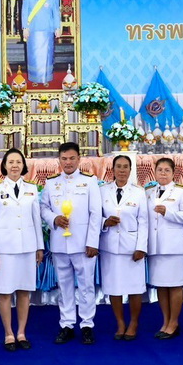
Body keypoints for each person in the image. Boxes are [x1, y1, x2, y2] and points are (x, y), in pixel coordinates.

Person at [40, 141, 103, 344]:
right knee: (64, 286)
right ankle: (66, 324)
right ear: (59, 160)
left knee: (86, 286)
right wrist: (54, 219)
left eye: (72, 158)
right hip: (60, 242)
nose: (68, 162)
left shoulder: (89, 181)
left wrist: (93, 242)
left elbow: (96, 214)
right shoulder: (51, 183)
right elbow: (43, 208)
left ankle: (87, 325)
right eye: (64, 159)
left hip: (83, 244)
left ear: (79, 159)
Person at [0, 148, 44, 350]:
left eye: (18, 162)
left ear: (23, 165)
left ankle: (21, 332)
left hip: (27, 247)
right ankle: (8, 333)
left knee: (24, 291)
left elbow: (36, 220)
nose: (14, 165)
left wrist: (39, 247)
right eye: (10, 162)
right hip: (5, 249)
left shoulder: (32, 189)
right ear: (4, 165)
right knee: (4, 293)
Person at [99, 154, 148, 340]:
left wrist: (141, 247)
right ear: (112, 169)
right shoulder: (102, 191)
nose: (121, 170)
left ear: (130, 170)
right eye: (118, 166)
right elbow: (95, 216)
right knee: (114, 287)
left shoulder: (138, 192)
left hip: (131, 248)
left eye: (125, 167)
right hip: (110, 247)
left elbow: (144, 222)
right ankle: (120, 323)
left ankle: (134, 322)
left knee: (134, 288)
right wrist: (105, 222)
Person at [146, 157, 183, 339]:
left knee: (174, 285)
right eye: (160, 170)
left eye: (167, 170)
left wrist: (168, 212)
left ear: (173, 173)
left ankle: (174, 322)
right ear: (155, 172)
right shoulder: (148, 192)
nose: (163, 173)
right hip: (155, 246)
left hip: (173, 246)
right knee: (161, 285)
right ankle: (165, 321)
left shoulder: (181, 191)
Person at [20, 0, 61, 85]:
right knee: (34, 55)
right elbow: (24, 12)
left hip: (48, 29)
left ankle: (46, 78)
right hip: (33, 29)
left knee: (47, 55)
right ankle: (35, 78)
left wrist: (57, 27)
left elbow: (56, 13)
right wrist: (25, 27)